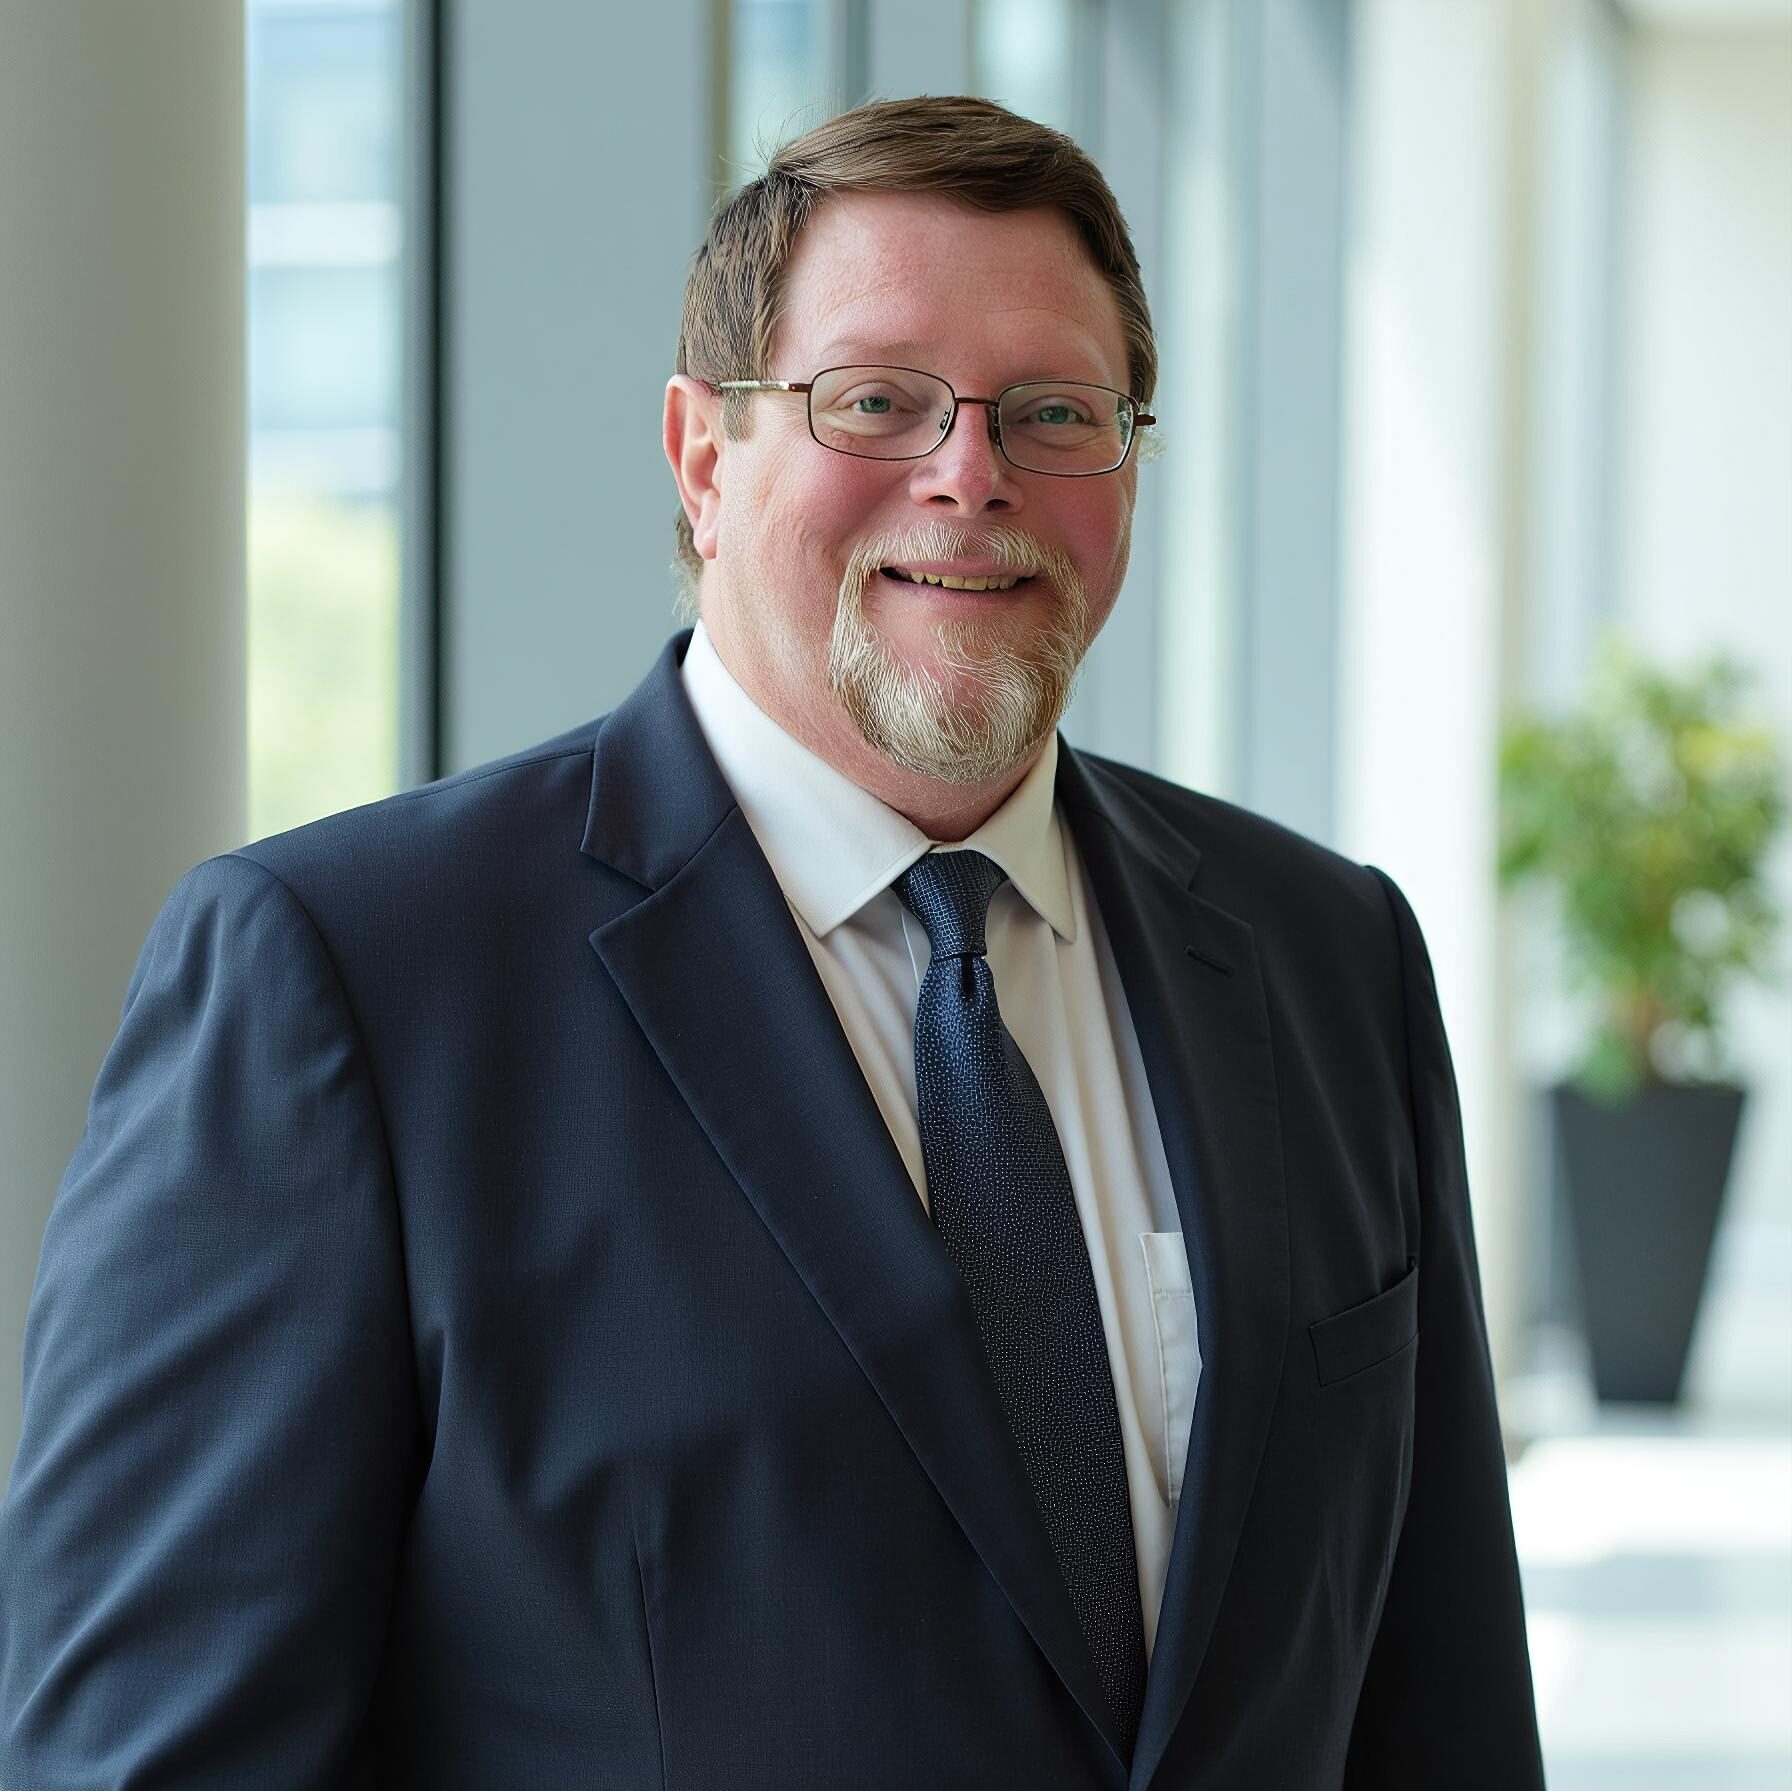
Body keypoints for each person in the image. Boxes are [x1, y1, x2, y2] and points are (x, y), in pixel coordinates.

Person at [0, 95, 1544, 1788]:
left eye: (1056, 413)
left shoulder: (1330, 960)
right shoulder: (351, 986)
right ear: (703, 459)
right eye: (875, 400)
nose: (971, 473)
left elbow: (1443, 1710)